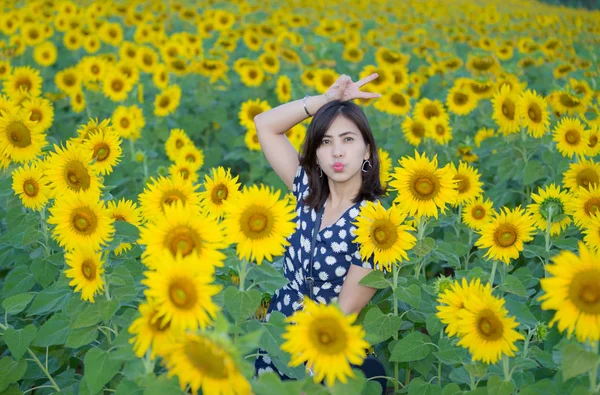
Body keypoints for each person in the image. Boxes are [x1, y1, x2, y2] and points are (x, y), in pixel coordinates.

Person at [252, 73, 387, 391]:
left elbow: (346, 310)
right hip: (277, 333)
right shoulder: (306, 189)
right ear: (315, 153)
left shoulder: (376, 226)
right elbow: (264, 124)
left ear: (367, 150)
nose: (337, 152)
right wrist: (324, 102)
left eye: (348, 139)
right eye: (326, 142)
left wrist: (314, 357)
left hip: (324, 348)